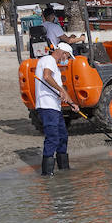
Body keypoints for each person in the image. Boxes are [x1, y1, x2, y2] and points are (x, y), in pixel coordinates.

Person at [34, 43, 80, 176]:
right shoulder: (48, 60)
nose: (66, 59)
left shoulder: (56, 67)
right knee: (53, 137)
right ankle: (47, 173)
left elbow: (62, 90)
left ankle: (64, 169)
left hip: (55, 107)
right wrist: (60, 90)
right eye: (67, 56)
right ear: (63, 52)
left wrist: (72, 104)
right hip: (47, 105)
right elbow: (46, 76)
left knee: (62, 136)